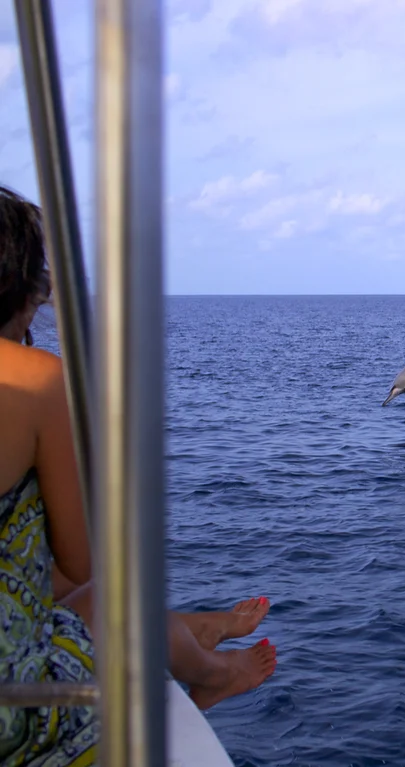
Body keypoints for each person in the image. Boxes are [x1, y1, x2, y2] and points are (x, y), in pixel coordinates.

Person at [0, 184, 277, 765]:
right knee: (125, 587)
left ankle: (192, 634)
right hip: (12, 711)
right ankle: (210, 670)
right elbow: (85, 565)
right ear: (26, 287)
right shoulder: (33, 378)